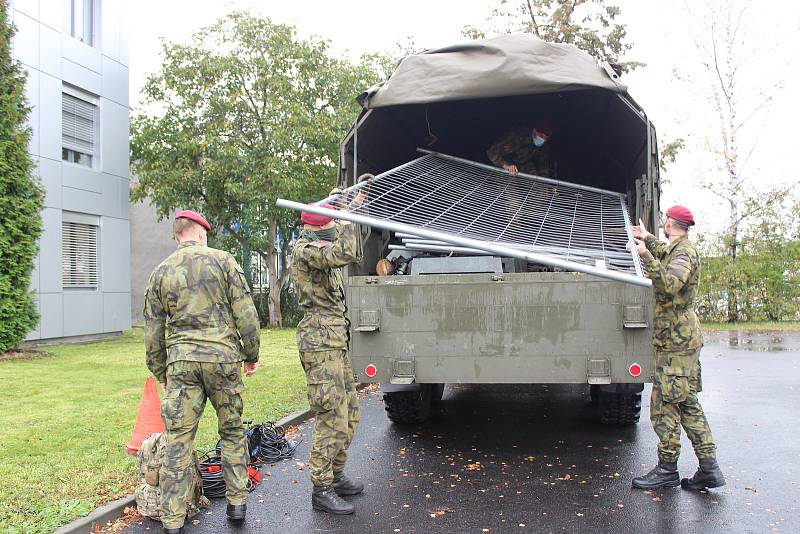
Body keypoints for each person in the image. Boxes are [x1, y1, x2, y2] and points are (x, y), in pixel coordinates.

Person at [144, 210, 261, 534]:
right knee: (233, 431)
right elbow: (246, 314)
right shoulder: (224, 262)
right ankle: (237, 504)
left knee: (178, 441)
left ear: (178, 235)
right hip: (222, 360)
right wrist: (251, 354)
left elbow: (152, 332)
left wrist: (161, 370)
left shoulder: (160, 272)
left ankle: (172, 521)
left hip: (181, 364)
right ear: (202, 233)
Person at [627, 205, 725, 491]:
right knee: (686, 402)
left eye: (664, 223)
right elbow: (666, 254)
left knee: (664, 406)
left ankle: (667, 468)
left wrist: (645, 257)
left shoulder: (684, 253)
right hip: (678, 340)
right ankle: (709, 468)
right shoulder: (679, 248)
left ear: (670, 223)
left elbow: (669, 284)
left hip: (676, 343)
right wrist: (648, 238)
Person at [291, 179, 370, 515]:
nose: (337, 227)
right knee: (331, 416)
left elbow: (357, 244)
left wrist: (358, 206)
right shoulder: (306, 250)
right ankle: (320, 488)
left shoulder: (323, 247)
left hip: (335, 340)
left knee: (350, 413)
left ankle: (336, 475)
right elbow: (346, 250)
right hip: (319, 342)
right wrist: (347, 218)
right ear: (320, 227)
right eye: (333, 223)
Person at [486, 121, 554, 177]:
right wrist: (506, 166)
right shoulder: (517, 136)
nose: (543, 140)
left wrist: (545, 183)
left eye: (546, 138)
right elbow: (491, 152)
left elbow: (543, 165)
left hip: (524, 165)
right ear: (534, 131)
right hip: (505, 164)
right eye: (541, 136)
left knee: (539, 186)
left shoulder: (544, 145)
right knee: (510, 192)